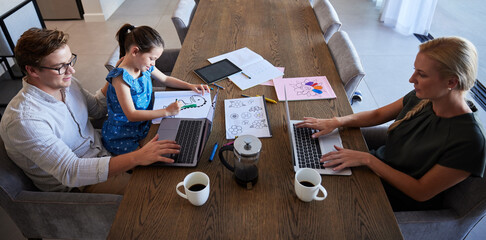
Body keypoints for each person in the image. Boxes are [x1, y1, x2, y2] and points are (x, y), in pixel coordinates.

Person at [296, 36, 486, 211]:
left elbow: (421, 192)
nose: (412, 80)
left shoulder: (469, 141)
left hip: (392, 200)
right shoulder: (424, 98)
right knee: (300, 172)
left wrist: (368, 160)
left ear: (452, 82)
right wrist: (336, 121)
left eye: (422, 74)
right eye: (414, 71)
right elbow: (378, 114)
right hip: (373, 173)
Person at [0, 28, 182, 194]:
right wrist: (138, 157)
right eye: (60, 66)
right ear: (32, 70)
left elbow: (97, 108)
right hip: (79, 184)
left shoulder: (67, 84)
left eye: (70, 60)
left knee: (175, 161)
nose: (71, 70)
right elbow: (72, 171)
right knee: (158, 189)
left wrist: (118, 77)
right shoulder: (24, 120)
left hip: (103, 150)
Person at [102, 24, 210, 155]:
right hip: (123, 133)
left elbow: (165, 79)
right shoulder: (120, 78)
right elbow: (131, 114)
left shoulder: (144, 65)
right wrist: (166, 111)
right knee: (151, 159)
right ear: (135, 51)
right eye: (152, 58)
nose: (153, 63)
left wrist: (189, 86)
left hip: (145, 122)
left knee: (177, 141)